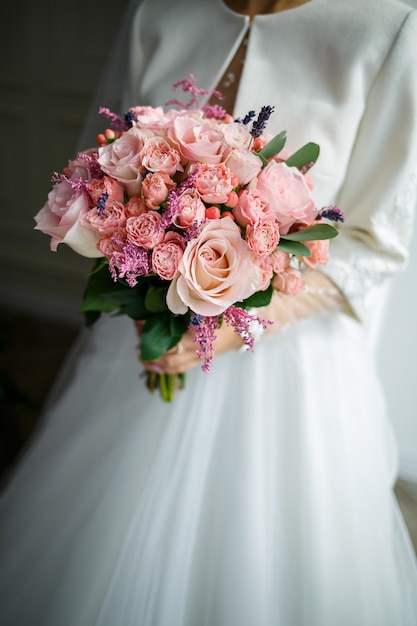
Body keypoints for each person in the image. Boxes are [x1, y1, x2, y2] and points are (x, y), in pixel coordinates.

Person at [1, 0, 417, 624]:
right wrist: (139, 263)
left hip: (287, 372)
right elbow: (103, 172)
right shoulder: (158, 13)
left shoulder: (388, 26)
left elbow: (374, 241)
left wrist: (226, 328)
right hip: (146, 335)